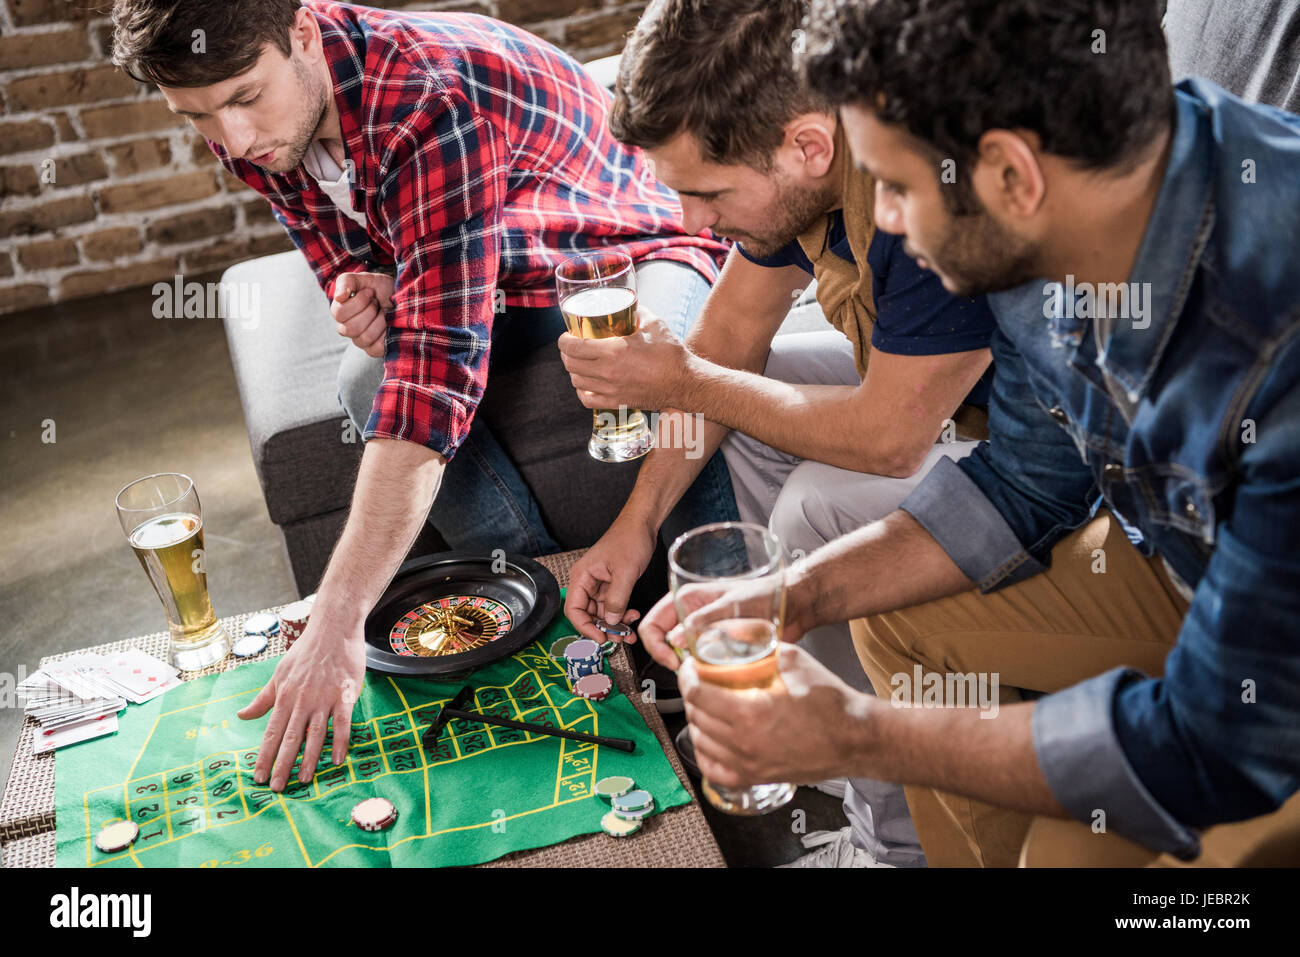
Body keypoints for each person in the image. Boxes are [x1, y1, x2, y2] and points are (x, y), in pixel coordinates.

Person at [639, 0, 1300, 866]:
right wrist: (793, 596)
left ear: (1011, 175)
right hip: (1184, 562)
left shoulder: (1270, 357)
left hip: (1256, 701)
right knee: (892, 619)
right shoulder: (1044, 251)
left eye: (900, 189)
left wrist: (859, 735)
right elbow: (1029, 482)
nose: (888, 225)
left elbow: (1220, 745)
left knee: (1066, 858)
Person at [109, 0, 736, 791]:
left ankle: (732, 655)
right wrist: (362, 281)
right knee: (362, 379)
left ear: (302, 33)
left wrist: (335, 623)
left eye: (242, 99)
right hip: (508, 254)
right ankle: (552, 618)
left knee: (657, 364)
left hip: (627, 238)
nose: (233, 142)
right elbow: (352, 254)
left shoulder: (427, 103)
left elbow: (435, 379)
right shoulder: (261, 116)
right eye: (196, 116)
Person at [559, 0, 998, 867]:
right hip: (949, 401)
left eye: (708, 191)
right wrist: (637, 522)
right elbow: (724, 349)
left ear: (809, 144)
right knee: (752, 406)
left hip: (1054, 446)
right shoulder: (805, 172)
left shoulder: (917, 177)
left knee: (815, 506)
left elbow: (890, 441)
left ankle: (896, 844)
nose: (691, 222)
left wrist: (683, 379)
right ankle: (830, 766)